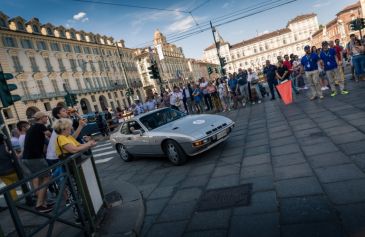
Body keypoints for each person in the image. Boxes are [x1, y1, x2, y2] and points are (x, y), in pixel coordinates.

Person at [53, 118, 96, 222]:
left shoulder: (67, 137)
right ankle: (79, 217)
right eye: (69, 127)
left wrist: (88, 143)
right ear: (64, 128)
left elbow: (79, 145)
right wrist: (89, 144)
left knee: (78, 190)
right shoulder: (61, 138)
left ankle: (84, 213)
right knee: (74, 192)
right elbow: (73, 149)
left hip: (73, 168)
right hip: (68, 169)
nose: (71, 128)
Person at [22, 111, 53, 213]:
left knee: (40, 179)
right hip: (35, 158)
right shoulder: (40, 126)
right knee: (47, 177)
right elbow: (51, 136)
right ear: (41, 118)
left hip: (27, 158)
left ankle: (43, 203)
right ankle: (39, 204)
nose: (47, 119)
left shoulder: (32, 128)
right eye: (46, 117)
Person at [0, 134, 19, 201]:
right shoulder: (6, 147)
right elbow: (15, 156)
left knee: (10, 187)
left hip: (1, 173)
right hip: (11, 170)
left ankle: (15, 202)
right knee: (24, 181)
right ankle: (30, 197)